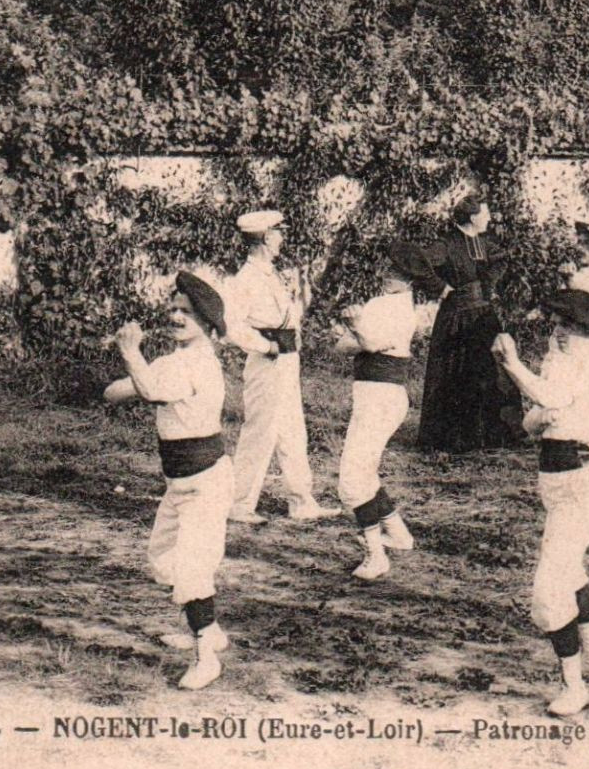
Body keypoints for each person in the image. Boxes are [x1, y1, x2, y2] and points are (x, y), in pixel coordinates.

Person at [491, 290, 589, 717]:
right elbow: (533, 420)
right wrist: (539, 411)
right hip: (559, 482)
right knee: (572, 569)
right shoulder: (567, 363)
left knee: (550, 589)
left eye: (568, 326)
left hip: (585, 482)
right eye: (557, 325)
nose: (558, 333)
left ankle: (574, 685)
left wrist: (512, 365)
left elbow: (549, 400)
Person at [103, 271, 234, 690]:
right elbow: (125, 390)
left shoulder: (198, 364)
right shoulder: (171, 362)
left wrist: (130, 355)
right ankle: (208, 629)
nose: (176, 317)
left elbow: (155, 391)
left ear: (209, 325)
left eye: (188, 313)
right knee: (163, 558)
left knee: (192, 569)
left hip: (206, 482)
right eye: (173, 309)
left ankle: (205, 656)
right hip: (179, 483)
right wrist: (125, 381)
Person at [332, 242, 434, 582]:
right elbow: (343, 346)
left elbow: (366, 344)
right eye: (387, 267)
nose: (384, 273)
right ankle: (399, 534)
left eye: (394, 271)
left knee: (351, 478)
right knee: (365, 469)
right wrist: (357, 334)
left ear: (409, 280)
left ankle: (376, 556)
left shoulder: (390, 308)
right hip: (378, 395)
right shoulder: (390, 306)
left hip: (380, 395)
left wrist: (355, 326)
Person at [225, 210, 332, 525]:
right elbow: (233, 326)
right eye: (278, 233)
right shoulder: (245, 279)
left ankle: (301, 501)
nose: (282, 238)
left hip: (287, 357)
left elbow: (290, 317)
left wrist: (302, 291)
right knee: (261, 431)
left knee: (292, 431)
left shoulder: (272, 273)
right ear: (265, 237)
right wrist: (264, 345)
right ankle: (239, 503)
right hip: (268, 360)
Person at [418, 195, 525, 453]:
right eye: (485, 214)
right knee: (456, 373)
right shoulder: (446, 244)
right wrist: (440, 288)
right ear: (473, 217)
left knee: (491, 369)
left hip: (483, 316)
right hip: (456, 317)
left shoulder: (484, 242)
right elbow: (418, 262)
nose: (489, 218)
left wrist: (489, 284)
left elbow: (503, 259)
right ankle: (454, 438)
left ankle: (492, 434)